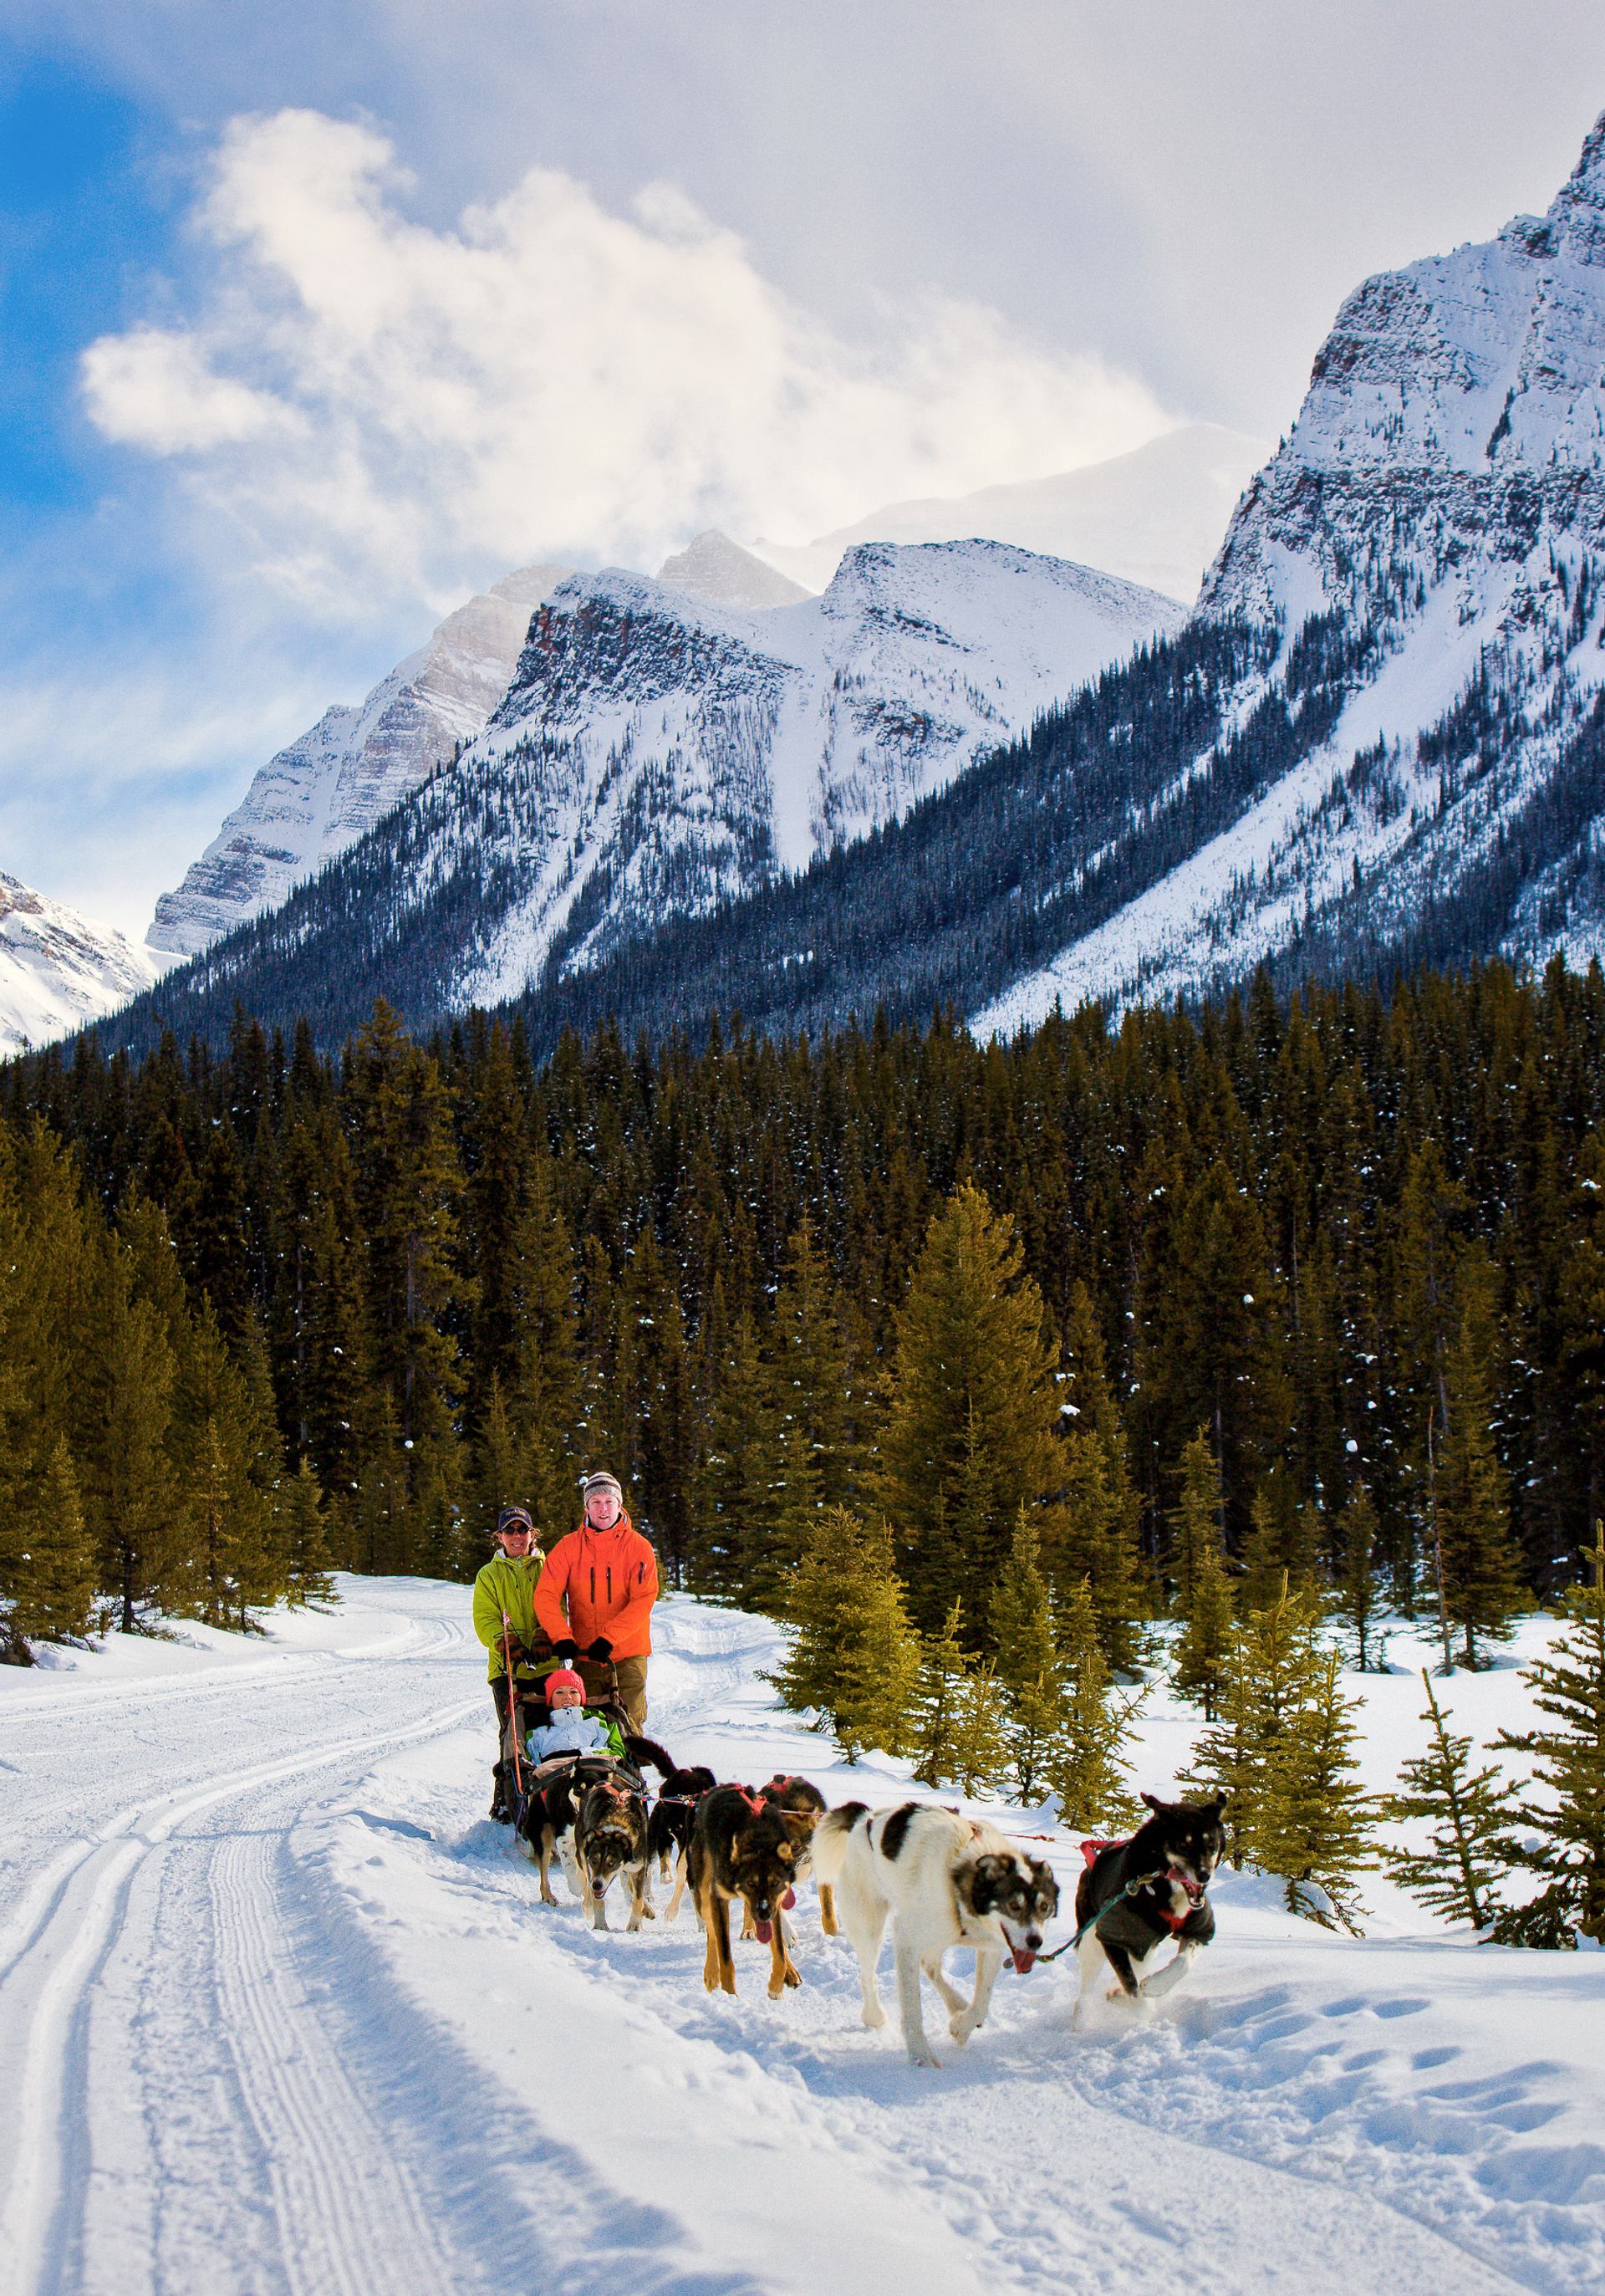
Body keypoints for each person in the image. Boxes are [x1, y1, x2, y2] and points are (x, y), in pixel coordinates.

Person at [534, 1469, 659, 1731]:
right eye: (596, 1502)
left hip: (628, 1654)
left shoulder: (639, 1547)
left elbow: (643, 1600)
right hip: (585, 1654)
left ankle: (630, 1769)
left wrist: (609, 1638)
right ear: (586, 1507)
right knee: (587, 1727)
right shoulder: (568, 1547)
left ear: (619, 1505)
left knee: (629, 1726)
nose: (603, 1509)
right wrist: (561, 1636)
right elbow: (546, 1595)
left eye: (609, 1502)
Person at [471, 1503, 549, 1821]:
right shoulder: (488, 1575)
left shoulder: (548, 1568)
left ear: (532, 1534)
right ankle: (505, 1803)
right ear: (500, 1537)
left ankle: (547, 1799)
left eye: (522, 1529)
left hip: (548, 1665)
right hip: (506, 1668)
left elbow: (557, 1602)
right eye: (510, 1530)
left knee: (547, 1731)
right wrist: (505, 1641)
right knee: (511, 1733)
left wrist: (548, 1633)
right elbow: (484, 1618)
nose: (517, 1536)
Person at [522, 1666, 625, 1765]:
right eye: (559, 1692)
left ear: (581, 1698)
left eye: (573, 1692)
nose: (567, 1697)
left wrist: (583, 1753)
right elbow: (530, 1766)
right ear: (550, 1700)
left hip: (596, 1771)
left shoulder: (599, 1722)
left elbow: (618, 1753)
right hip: (552, 1776)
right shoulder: (538, 1733)